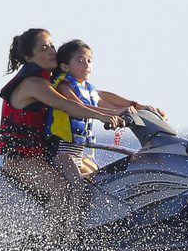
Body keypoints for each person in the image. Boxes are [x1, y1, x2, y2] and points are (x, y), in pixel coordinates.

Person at [0, 28, 127, 239]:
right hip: (21, 160)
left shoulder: (51, 80)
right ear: (30, 57)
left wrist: (137, 107)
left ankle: (100, 231)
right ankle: (55, 245)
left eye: (52, 46)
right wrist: (104, 117)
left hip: (42, 156)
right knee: (61, 189)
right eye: (44, 48)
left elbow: (97, 95)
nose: (51, 52)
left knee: (100, 178)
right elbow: (67, 106)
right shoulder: (33, 85)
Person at [49, 39, 166, 176]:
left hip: (79, 154)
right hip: (62, 153)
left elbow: (113, 103)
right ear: (65, 67)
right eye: (80, 61)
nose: (86, 65)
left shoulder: (89, 91)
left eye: (89, 61)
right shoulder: (64, 87)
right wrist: (115, 113)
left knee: (102, 179)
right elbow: (81, 107)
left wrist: (143, 109)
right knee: (79, 188)